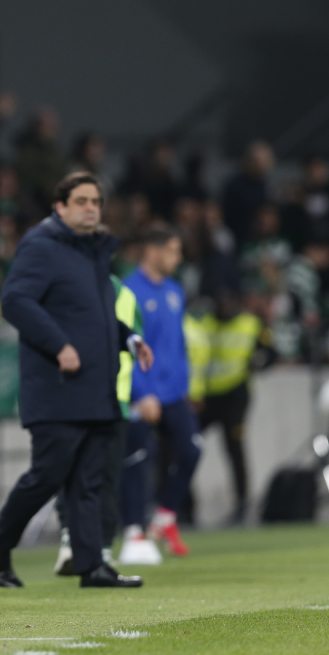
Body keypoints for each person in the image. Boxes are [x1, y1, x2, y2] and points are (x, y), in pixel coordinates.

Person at [0, 172, 152, 590]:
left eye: (96, 201)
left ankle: (92, 566)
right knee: (50, 474)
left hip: (95, 386)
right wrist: (59, 346)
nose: (91, 208)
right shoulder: (41, 246)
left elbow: (95, 314)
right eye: (81, 200)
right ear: (60, 207)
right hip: (56, 385)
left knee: (89, 479)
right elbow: (15, 301)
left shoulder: (92, 252)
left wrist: (129, 337)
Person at [55, 274, 143, 576]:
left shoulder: (103, 291)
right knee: (83, 473)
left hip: (108, 399)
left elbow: (136, 344)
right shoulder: (79, 286)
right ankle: (79, 543)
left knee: (98, 474)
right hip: (85, 397)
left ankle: (96, 547)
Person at [122, 223, 201, 558]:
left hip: (173, 392)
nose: (178, 258)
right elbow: (125, 346)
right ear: (152, 251)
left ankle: (164, 516)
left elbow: (176, 345)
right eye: (173, 251)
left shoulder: (174, 291)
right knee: (139, 458)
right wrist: (142, 393)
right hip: (143, 391)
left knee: (192, 449)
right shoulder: (128, 291)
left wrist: (185, 386)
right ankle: (133, 531)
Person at [189, 288, 273, 525]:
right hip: (204, 398)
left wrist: (259, 360)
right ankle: (184, 507)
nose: (224, 305)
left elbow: (268, 352)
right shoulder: (203, 324)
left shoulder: (250, 324)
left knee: (234, 449)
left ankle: (242, 505)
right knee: (186, 449)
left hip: (235, 396)